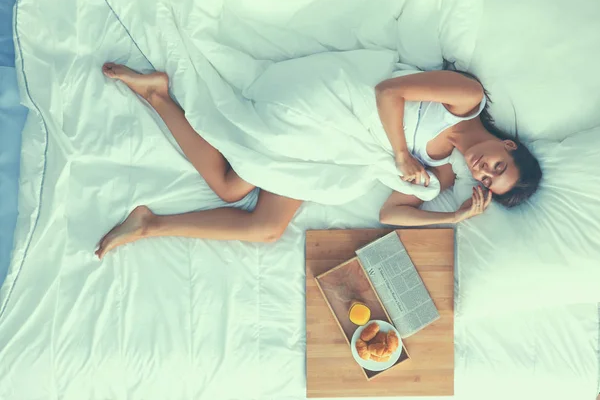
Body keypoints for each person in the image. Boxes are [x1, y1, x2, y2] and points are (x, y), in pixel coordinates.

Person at [95, 63, 542, 259]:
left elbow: (390, 213)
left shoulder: (441, 172)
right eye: (499, 166)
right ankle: (157, 94)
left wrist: (455, 218)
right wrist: (402, 155)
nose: (484, 169)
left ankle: (149, 223)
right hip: (336, 104)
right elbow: (390, 91)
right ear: (510, 146)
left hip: (338, 145)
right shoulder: (468, 100)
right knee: (234, 185)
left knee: (261, 224)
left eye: (488, 180)